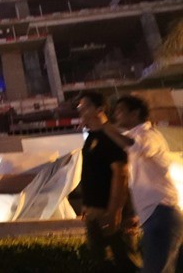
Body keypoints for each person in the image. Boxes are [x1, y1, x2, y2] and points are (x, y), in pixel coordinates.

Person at [91, 95, 183, 273]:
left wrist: (104, 125)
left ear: (135, 114)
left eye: (120, 111)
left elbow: (134, 146)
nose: (116, 115)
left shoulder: (149, 135)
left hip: (163, 216)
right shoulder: (131, 136)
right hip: (154, 217)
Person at [77, 91, 140, 272]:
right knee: (100, 264)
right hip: (93, 213)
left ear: (100, 109)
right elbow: (92, 174)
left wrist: (114, 211)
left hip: (111, 212)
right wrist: (87, 205)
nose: (80, 110)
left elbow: (120, 174)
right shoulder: (91, 138)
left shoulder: (111, 137)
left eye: (85, 106)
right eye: (79, 107)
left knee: (126, 262)